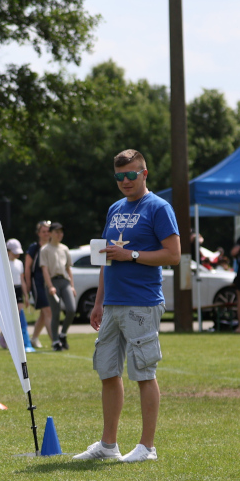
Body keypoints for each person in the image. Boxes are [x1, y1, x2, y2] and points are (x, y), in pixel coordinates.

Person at [75, 149, 180, 464]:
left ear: (144, 174)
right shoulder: (115, 208)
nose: (125, 181)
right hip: (113, 304)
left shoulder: (159, 208)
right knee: (107, 371)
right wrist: (98, 302)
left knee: (143, 373)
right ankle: (108, 445)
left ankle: (147, 447)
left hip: (142, 303)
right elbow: (105, 259)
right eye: (119, 176)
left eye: (131, 175)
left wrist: (132, 255)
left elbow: (173, 254)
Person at [41, 222, 75, 350]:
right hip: (53, 282)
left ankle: (63, 334)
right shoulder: (45, 250)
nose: (59, 234)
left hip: (65, 282)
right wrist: (50, 286)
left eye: (61, 232)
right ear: (50, 233)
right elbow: (44, 269)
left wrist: (72, 286)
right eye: (56, 232)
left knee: (71, 309)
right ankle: (55, 341)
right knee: (55, 313)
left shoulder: (64, 248)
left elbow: (68, 269)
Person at [24, 221, 52, 348]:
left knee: (44, 312)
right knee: (47, 310)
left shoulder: (53, 246)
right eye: (43, 231)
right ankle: (55, 340)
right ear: (39, 233)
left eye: (48, 231)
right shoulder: (34, 248)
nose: (46, 234)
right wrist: (28, 284)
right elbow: (28, 267)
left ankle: (34, 338)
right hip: (38, 282)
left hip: (50, 283)